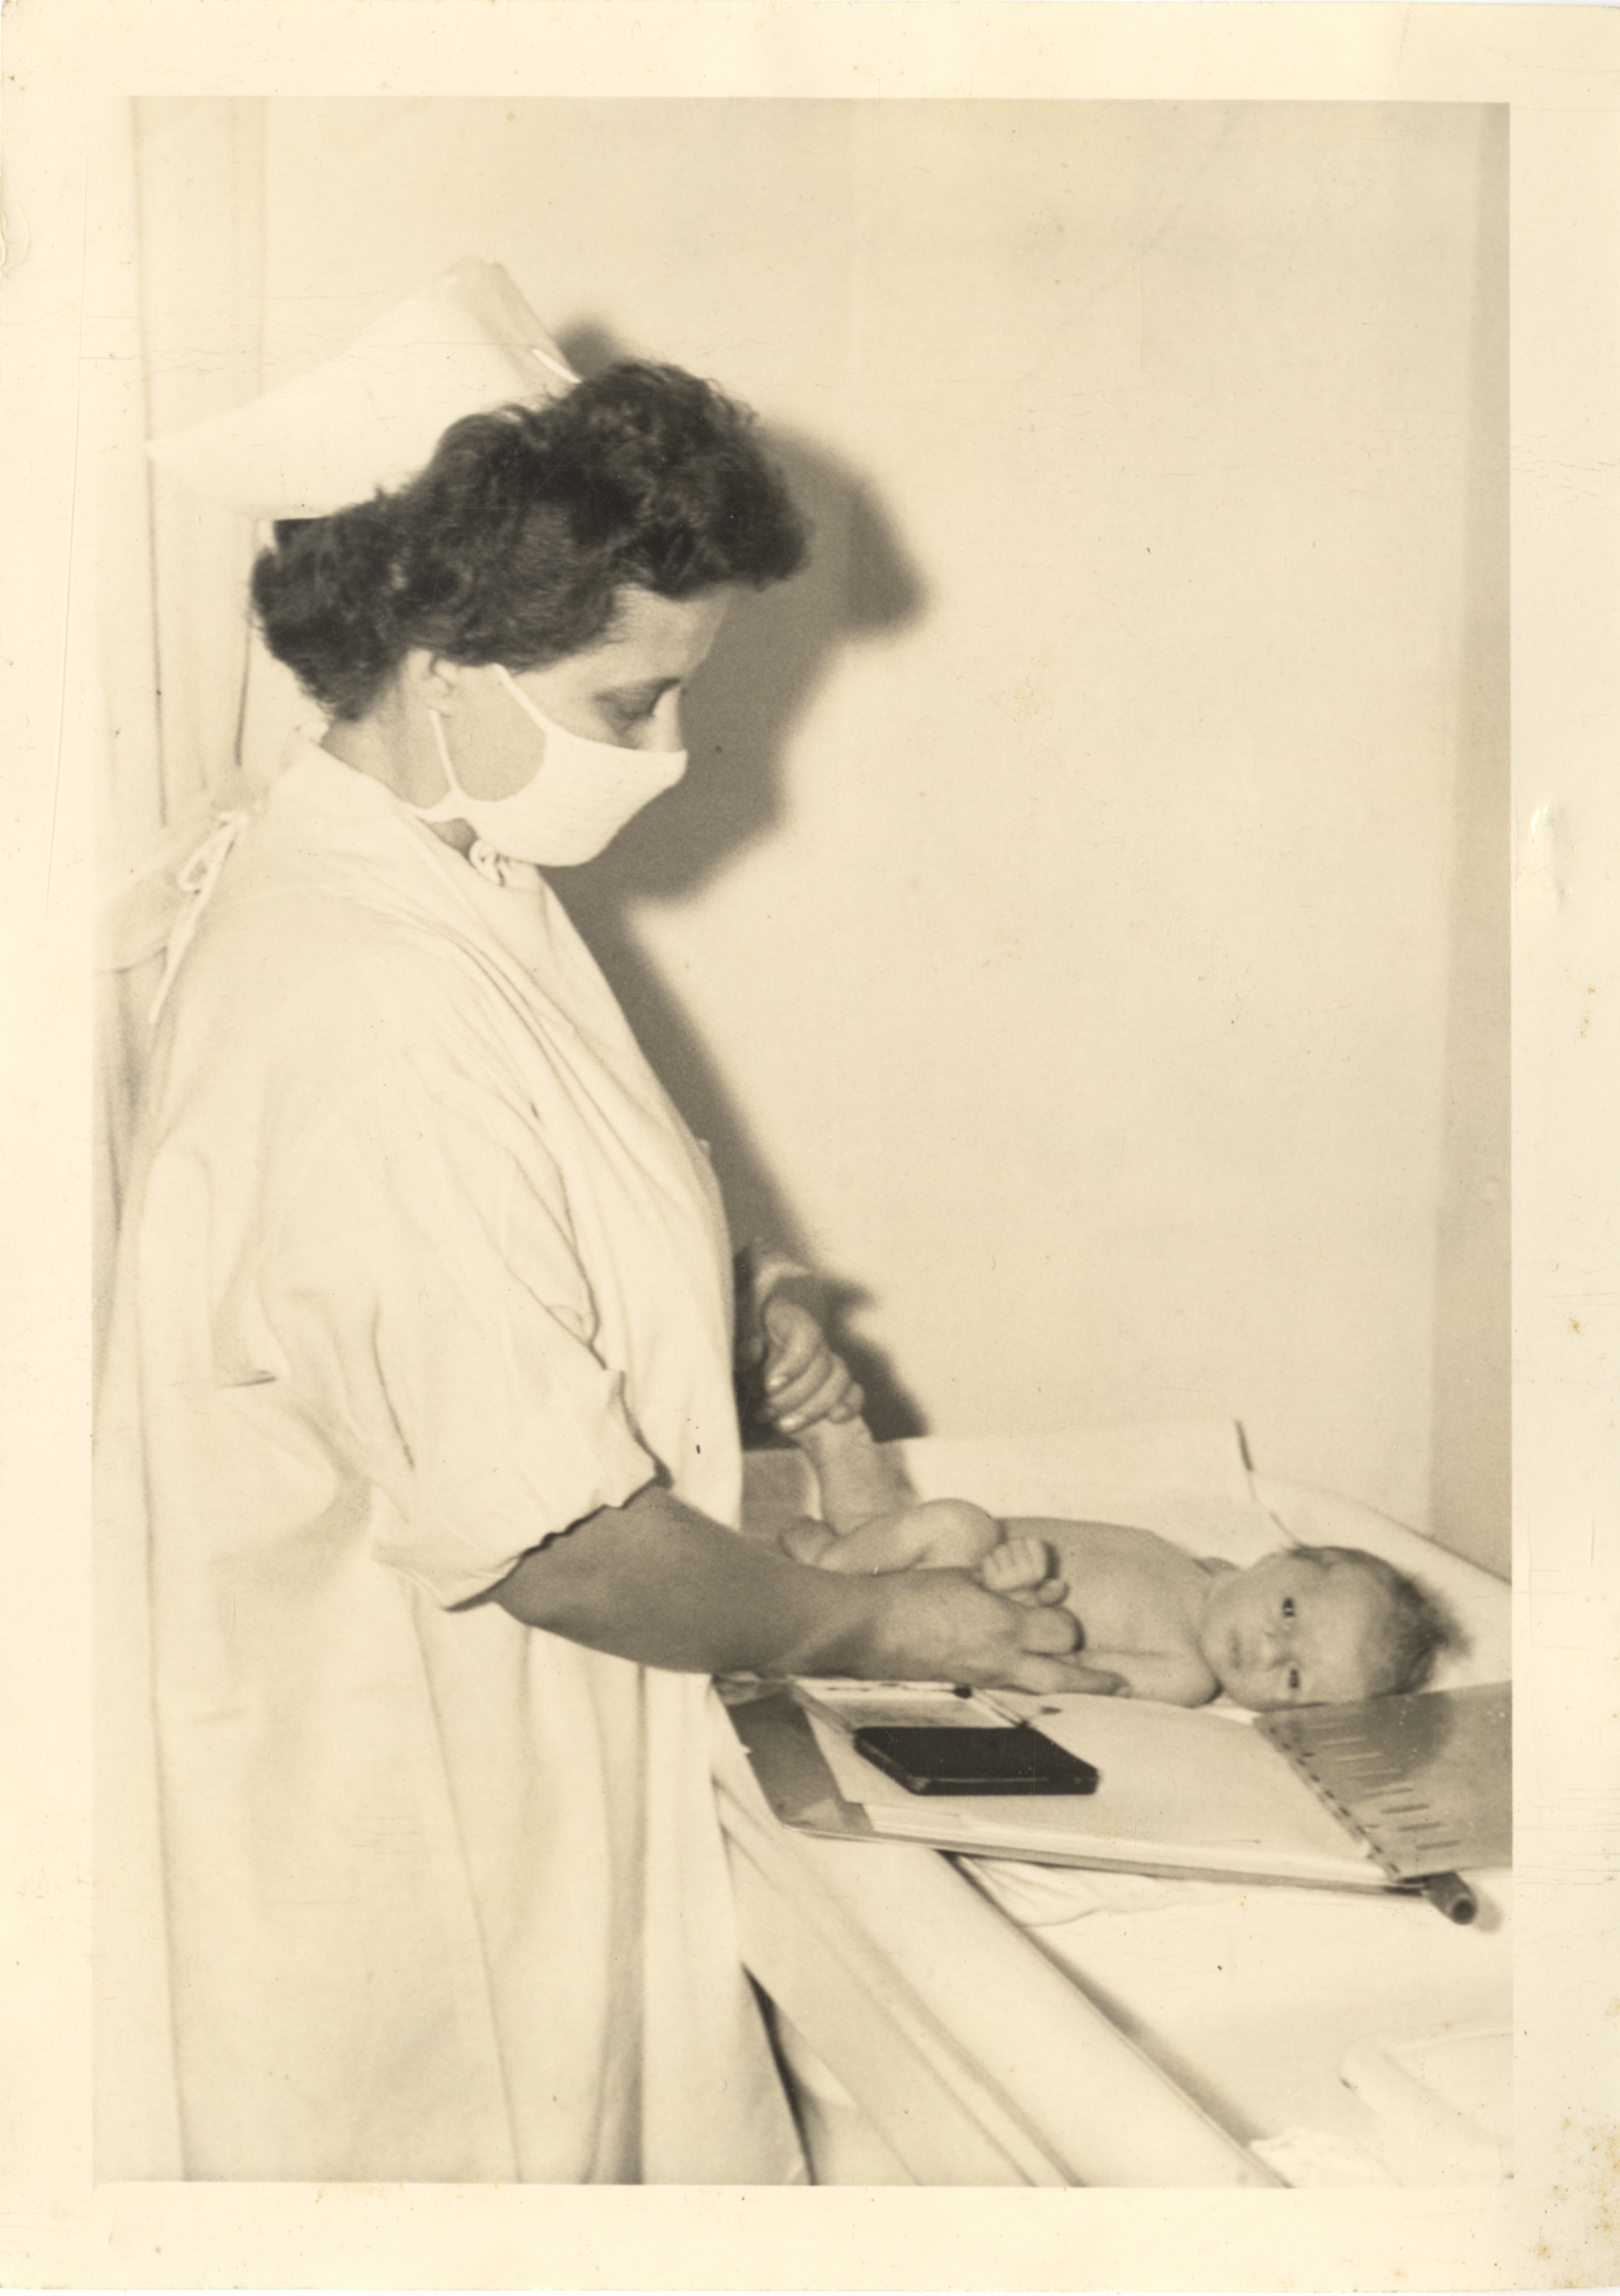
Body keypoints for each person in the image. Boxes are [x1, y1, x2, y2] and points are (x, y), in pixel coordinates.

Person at [95, 276, 1120, 2186]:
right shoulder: (364, 1003)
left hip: (483, 1757)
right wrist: (869, 1618)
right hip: (405, 1831)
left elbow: (458, 1261)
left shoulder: (434, 873)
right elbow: (560, 1546)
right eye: (628, 702)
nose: (666, 749)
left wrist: (703, 1311)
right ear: (441, 656)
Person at [777, 1409, 1454, 1711]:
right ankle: (838, 1539)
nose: (1271, 1649)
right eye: (1288, 1611)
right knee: (910, 1518)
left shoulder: (1187, 1675)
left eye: (1296, 1678)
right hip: (924, 1560)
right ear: (1273, 1561)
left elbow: (1065, 1673)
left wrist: (1014, 1600)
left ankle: (819, 1578)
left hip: (968, 1603)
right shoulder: (1205, 1568)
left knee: (958, 1524)